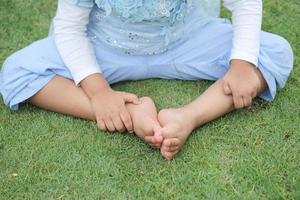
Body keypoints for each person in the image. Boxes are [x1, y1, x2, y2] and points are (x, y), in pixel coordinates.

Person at [0, 0, 294, 160]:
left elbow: (245, 4)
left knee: (275, 52)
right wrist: (99, 92)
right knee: (16, 71)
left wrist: (242, 64)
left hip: (187, 42)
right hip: (106, 50)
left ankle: (187, 117)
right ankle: (129, 112)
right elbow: (68, 29)